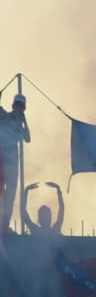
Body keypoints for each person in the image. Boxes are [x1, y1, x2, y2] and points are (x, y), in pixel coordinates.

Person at [0, 93, 30, 232]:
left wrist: (24, 121)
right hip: (2, 158)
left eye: (21, 107)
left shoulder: (20, 123)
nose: (19, 108)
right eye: (17, 105)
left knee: (11, 194)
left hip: (12, 161)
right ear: (14, 105)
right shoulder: (5, 116)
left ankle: (5, 222)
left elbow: (28, 138)